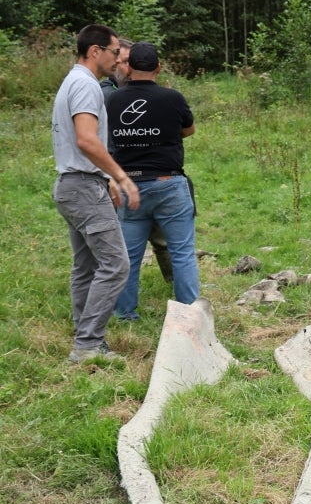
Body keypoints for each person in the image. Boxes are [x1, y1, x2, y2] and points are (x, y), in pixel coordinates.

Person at [51, 25, 141, 362]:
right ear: (95, 51)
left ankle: (84, 333)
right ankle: (88, 344)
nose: (119, 59)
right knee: (116, 264)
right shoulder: (86, 85)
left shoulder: (74, 81)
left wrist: (104, 179)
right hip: (82, 188)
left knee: (86, 265)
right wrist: (120, 177)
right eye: (115, 52)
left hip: (75, 185)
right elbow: (87, 140)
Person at [107, 41, 200, 318]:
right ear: (159, 68)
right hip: (168, 184)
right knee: (182, 253)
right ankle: (189, 316)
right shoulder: (173, 98)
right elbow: (189, 130)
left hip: (128, 187)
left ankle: (124, 315)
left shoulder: (112, 100)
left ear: (128, 68)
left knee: (129, 258)